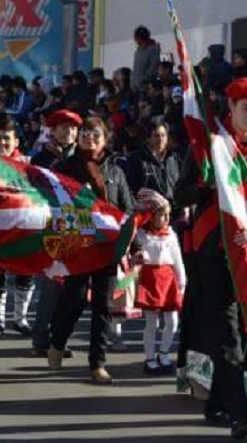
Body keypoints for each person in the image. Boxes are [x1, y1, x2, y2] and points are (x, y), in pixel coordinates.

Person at [174, 77, 247, 439]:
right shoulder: (209, 148)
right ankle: (241, 414)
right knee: (226, 334)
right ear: (231, 108)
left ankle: (218, 402)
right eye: (246, 108)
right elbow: (181, 194)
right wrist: (207, 185)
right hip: (212, 254)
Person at [47, 117, 134, 384]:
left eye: (95, 134)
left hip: (108, 248)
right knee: (73, 298)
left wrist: (130, 241)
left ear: (105, 138)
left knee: (103, 305)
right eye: (85, 133)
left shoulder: (115, 170)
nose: (89, 138)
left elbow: (127, 208)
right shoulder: (65, 167)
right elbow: (53, 203)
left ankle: (98, 362)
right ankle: (57, 342)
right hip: (79, 244)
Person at [29, 109, 81, 356]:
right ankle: (41, 338)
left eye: (73, 128)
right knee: (51, 285)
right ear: (53, 130)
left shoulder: (81, 158)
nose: (69, 132)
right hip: (50, 227)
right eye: (64, 127)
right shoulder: (41, 159)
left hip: (75, 227)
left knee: (68, 288)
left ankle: (58, 338)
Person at [0, 120, 35, 337]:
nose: (3, 143)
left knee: (26, 273)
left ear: (16, 141)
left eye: (7, 138)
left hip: (24, 226)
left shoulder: (28, 163)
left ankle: (21, 318)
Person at [133, 191, 186, 375]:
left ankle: (164, 353)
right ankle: (149, 357)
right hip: (149, 279)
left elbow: (177, 258)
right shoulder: (141, 235)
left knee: (172, 321)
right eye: (162, 214)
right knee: (152, 323)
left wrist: (181, 281)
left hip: (168, 279)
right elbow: (134, 255)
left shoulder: (170, 234)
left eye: (168, 215)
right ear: (151, 215)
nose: (166, 218)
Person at [123, 122, 181, 203]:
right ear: (148, 138)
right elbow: (132, 189)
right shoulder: (136, 159)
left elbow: (180, 183)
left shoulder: (173, 158)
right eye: (157, 135)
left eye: (163, 135)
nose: (161, 139)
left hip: (175, 209)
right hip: (150, 210)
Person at [132, 26, 161, 92]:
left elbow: (154, 67)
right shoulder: (137, 52)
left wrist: (143, 80)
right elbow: (135, 69)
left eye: (135, 37)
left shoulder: (153, 49)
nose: (134, 40)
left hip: (147, 88)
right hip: (137, 88)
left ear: (139, 37)